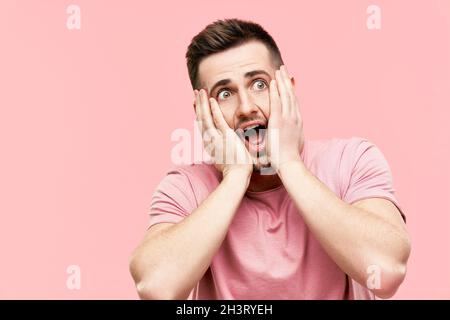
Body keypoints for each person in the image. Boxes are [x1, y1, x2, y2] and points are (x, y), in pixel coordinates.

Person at [129, 18, 411, 300]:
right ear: (202, 112)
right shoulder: (187, 187)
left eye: (259, 84)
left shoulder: (352, 160)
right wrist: (236, 174)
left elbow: (386, 271)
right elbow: (156, 288)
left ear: (288, 88)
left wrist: (288, 163)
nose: (246, 108)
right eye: (225, 93)